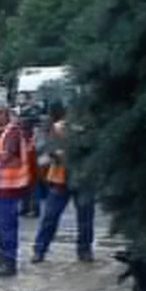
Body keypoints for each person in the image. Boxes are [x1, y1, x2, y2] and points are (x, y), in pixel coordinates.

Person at [32, 103, 96, 263]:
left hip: (83, 178)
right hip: (60, 178)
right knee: (50, 216)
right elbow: (44, 146)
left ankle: (84, 249)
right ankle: (40, 249)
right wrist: (54, 152)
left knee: (85, 217)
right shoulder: (57, 127)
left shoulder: (90, 130)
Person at [0, 104, 32, 277]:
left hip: (9, 185)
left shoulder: (12, 133)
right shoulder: (3, 132)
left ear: (4, 115)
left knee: (6, 225)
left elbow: (5, 156)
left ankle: (9, 262)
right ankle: (2, 257)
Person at [15, 91, 42, 217]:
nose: (18, 99)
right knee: (23, 178)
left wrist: (31, 144)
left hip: (28, 147)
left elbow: (36, 129)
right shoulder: (19, 111)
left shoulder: (33, 111)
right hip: (21, 146)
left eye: (20, 97)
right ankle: (25, 206)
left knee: (32, 178)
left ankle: (34, 208)